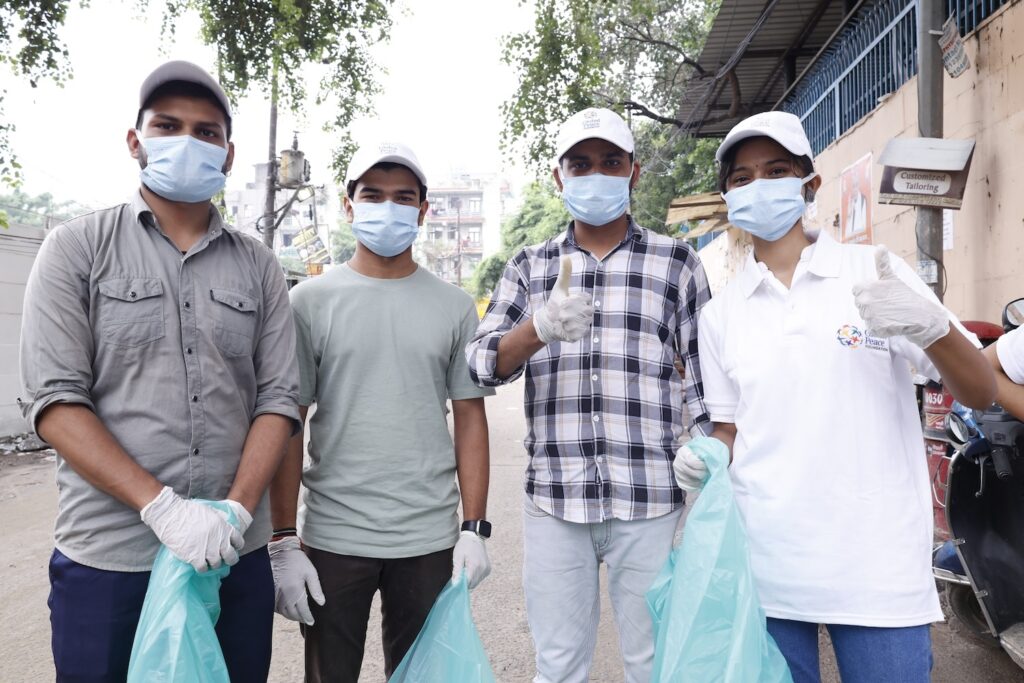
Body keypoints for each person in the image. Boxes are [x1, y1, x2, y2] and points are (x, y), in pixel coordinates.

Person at [676, 111, 997, 683]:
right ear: (727, 196)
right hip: (767, 568)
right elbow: (728, 428)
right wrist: (706, 455)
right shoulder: (719, 316)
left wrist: (932, 328)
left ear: (809, 183)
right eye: (742, 178)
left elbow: (980, 388)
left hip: (875, 568)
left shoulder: (873, 274)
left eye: (775, 170)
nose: (758, 186)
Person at [18, 60, 299, 681]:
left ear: (228, 155)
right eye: (168, 126)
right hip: (110, 560)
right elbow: (55, 402)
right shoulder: (77, 249)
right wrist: (164, 510)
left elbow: (279, 400)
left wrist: (234, 514)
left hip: (232, 556)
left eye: (207, 132)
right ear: (135, 140)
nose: (188, 142)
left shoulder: (260, 268)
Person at [466, 107, 712, 683]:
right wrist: (538, 329)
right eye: (580, 163)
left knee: (655, 665)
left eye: (610, 162)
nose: (595, 174)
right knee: (557, 667)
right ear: (559, 176)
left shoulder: (676, 262)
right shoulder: (531, 266)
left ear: (634, 171)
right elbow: (480, 364)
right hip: (556, 497)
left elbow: (706, 379)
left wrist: (706, 454)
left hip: (649, 497)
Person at [268, 141, 495, 682]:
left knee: (420, 674)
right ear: (349, 205)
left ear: (422, 212)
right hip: (333, 534)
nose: (387, 208)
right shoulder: (309, 302)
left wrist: (474, 527)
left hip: (426, 536)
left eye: (403, 198)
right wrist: (282, 539)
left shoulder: (453, 305)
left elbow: (469, 418)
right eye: (373, 195)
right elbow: (288, 421)